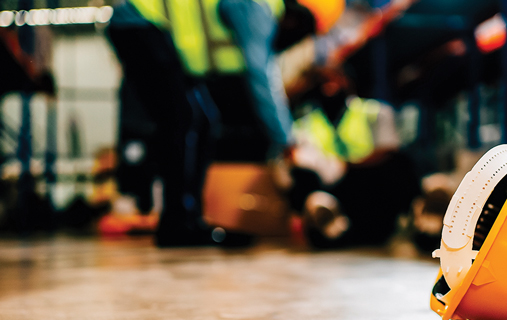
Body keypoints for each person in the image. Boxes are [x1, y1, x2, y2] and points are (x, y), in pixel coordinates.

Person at [105, 0, 344, 246]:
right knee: (183, 119)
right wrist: (285, 140)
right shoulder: (255, 8)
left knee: (202, 119)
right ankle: (178, 224)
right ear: (293, 21)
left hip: (151, 26)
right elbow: (260, 77)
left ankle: (187, 219)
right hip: (140, 18)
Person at [284, 69, 421, 249]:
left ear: (349, 80)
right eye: (321, 80)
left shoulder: (375, 112)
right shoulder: (305, 122)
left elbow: (388, 151)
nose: (328, 85)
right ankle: (325, 217)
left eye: (335, 77)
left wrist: (345, 166)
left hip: (368, 183)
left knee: (400, 166)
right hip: (331, 186)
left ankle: (420, 217)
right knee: (299, 175)